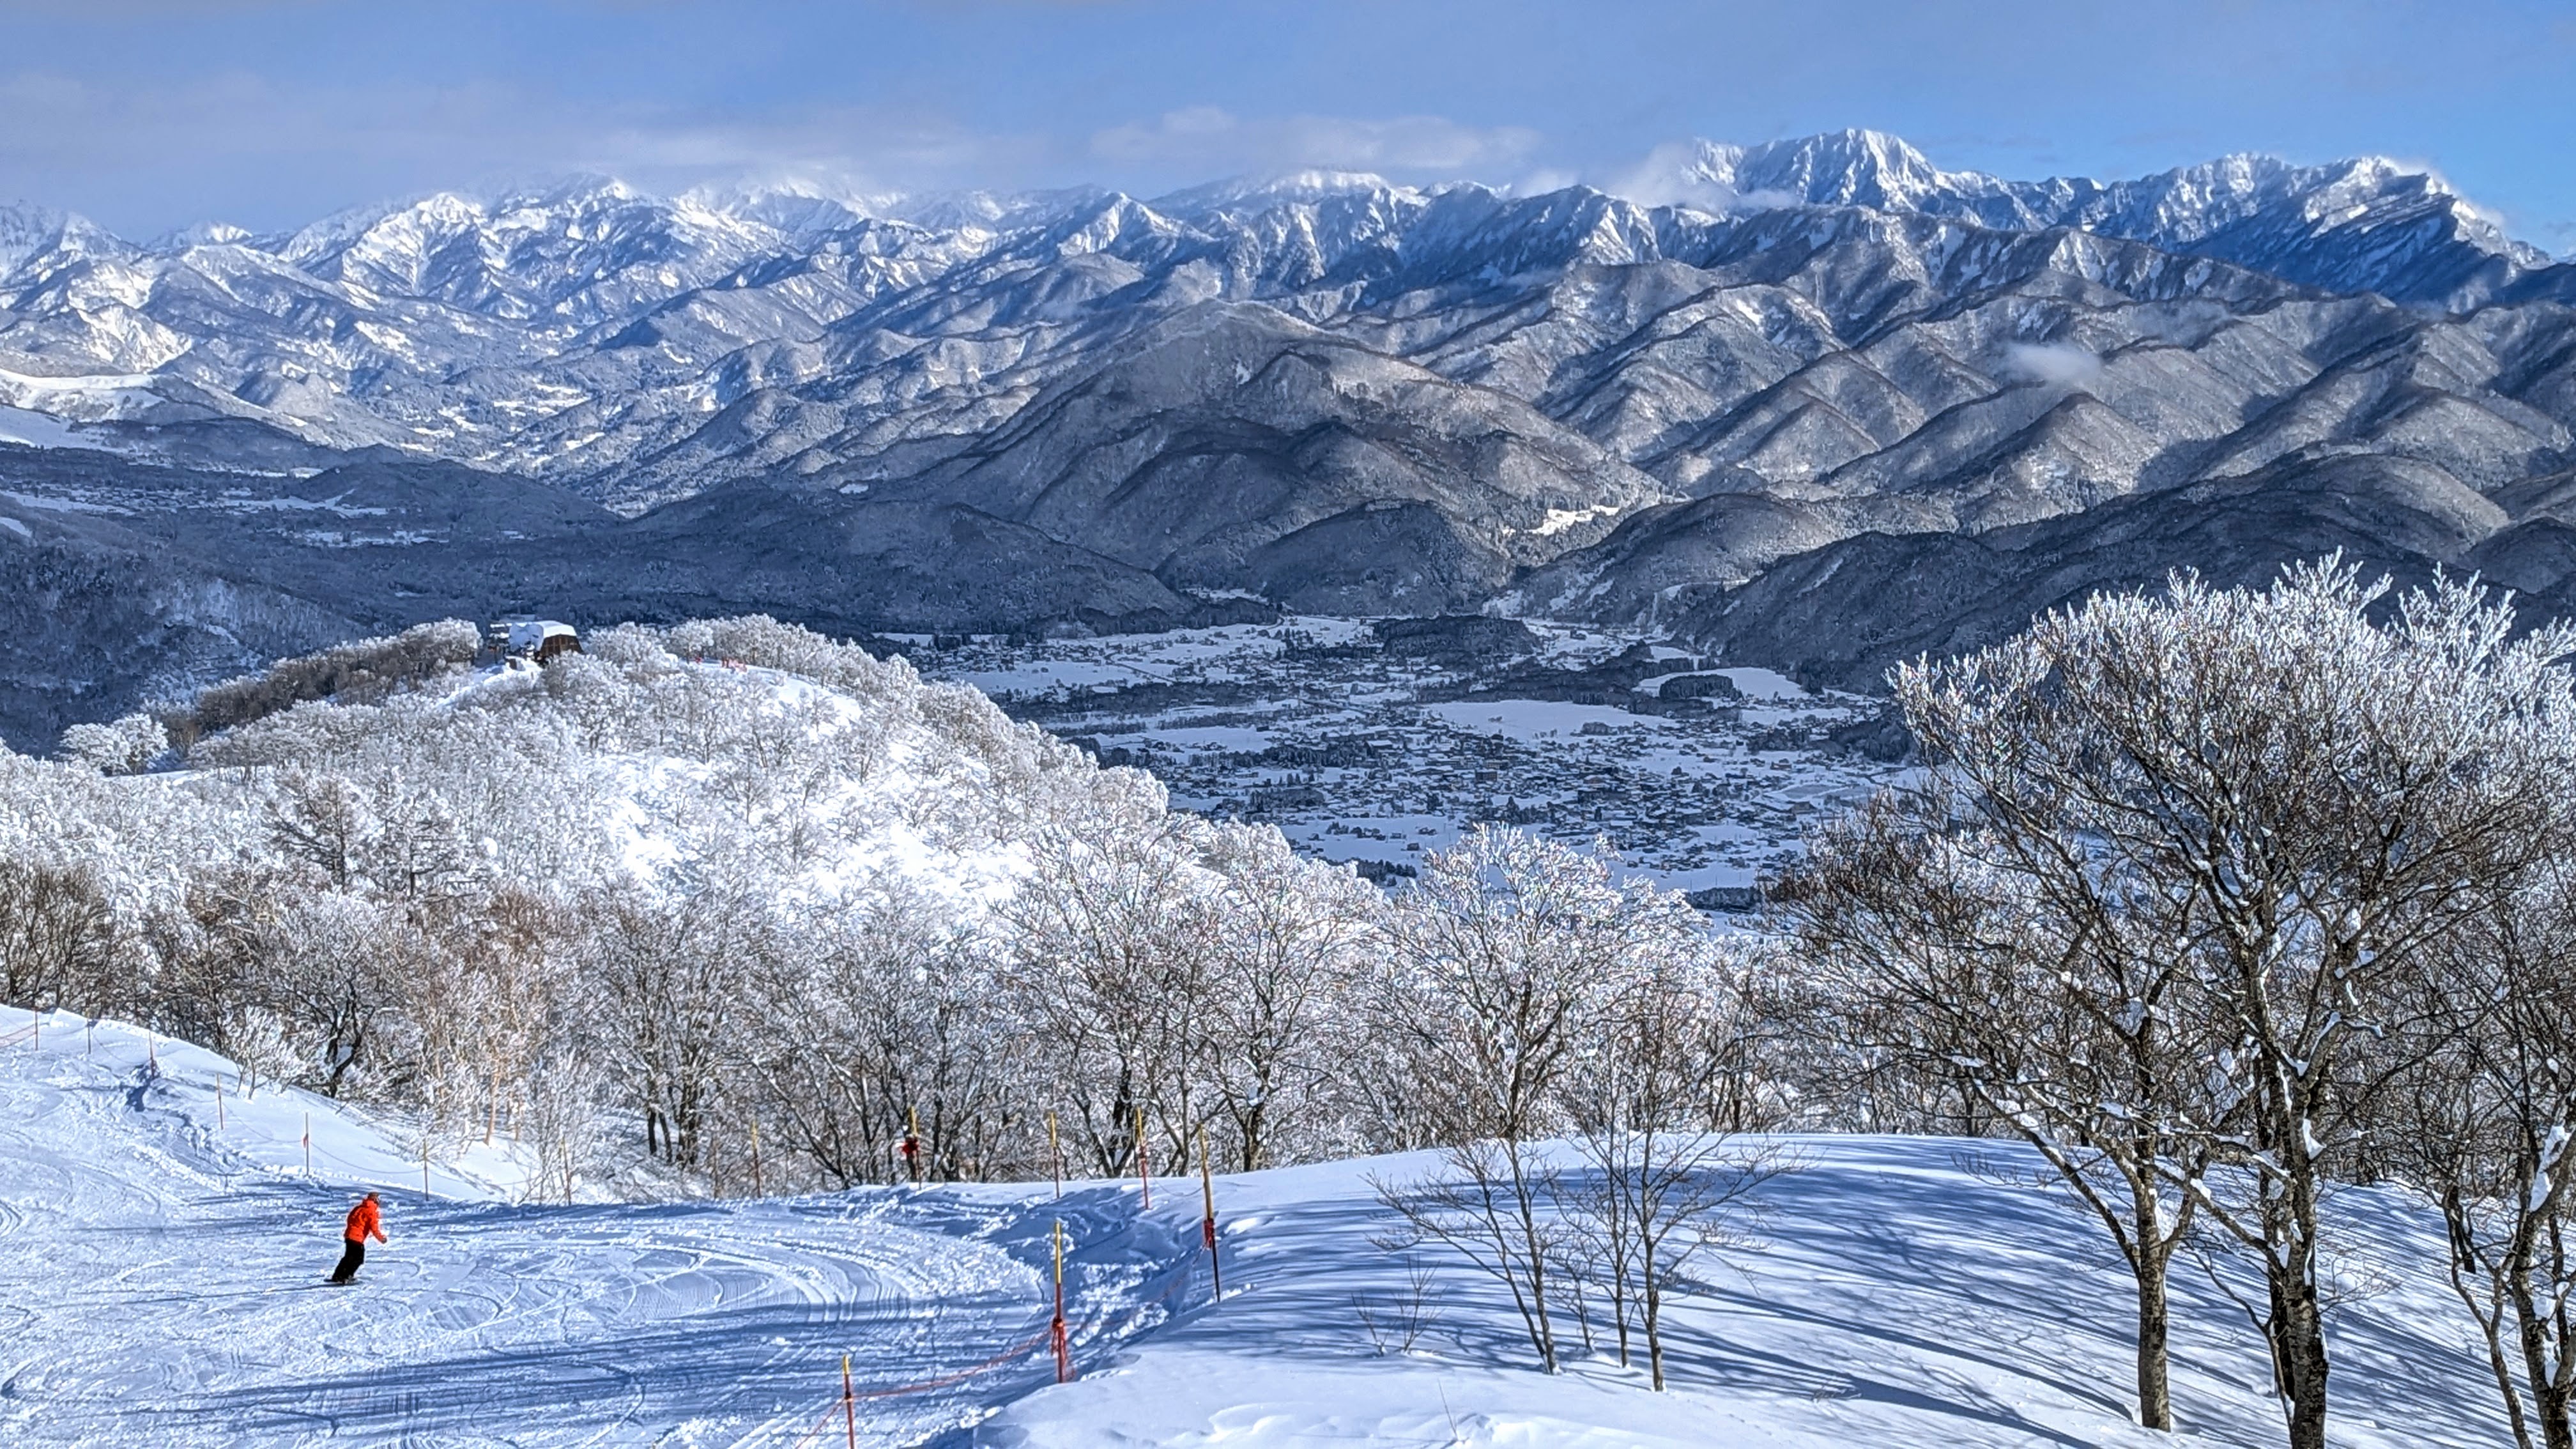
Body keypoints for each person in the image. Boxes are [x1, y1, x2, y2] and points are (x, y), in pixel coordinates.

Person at [328, 1192, 387, 1285]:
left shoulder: (359, 1208)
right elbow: (374, 1228)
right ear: (375, 1200)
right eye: (378, 1199)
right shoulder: (371, 1211)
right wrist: (382, 1239)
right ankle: (346, 1276)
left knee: (348, 1257)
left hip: (350, 1235)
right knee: (358, 1259)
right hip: (357, 1238)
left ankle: (338, 1276)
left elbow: (350, 1218)